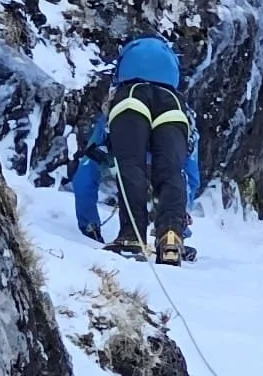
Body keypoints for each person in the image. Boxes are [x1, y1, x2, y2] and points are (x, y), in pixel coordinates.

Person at [72, 35, 198, 265]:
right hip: (173, 108)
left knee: (130, 164)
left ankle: (132, 236)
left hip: (131, 99)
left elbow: (86, 171)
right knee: (171, 170)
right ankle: (170, 235)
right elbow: (190, 174)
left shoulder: (122, 91)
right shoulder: (180, 102)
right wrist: (181, 224)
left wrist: (89, 225)